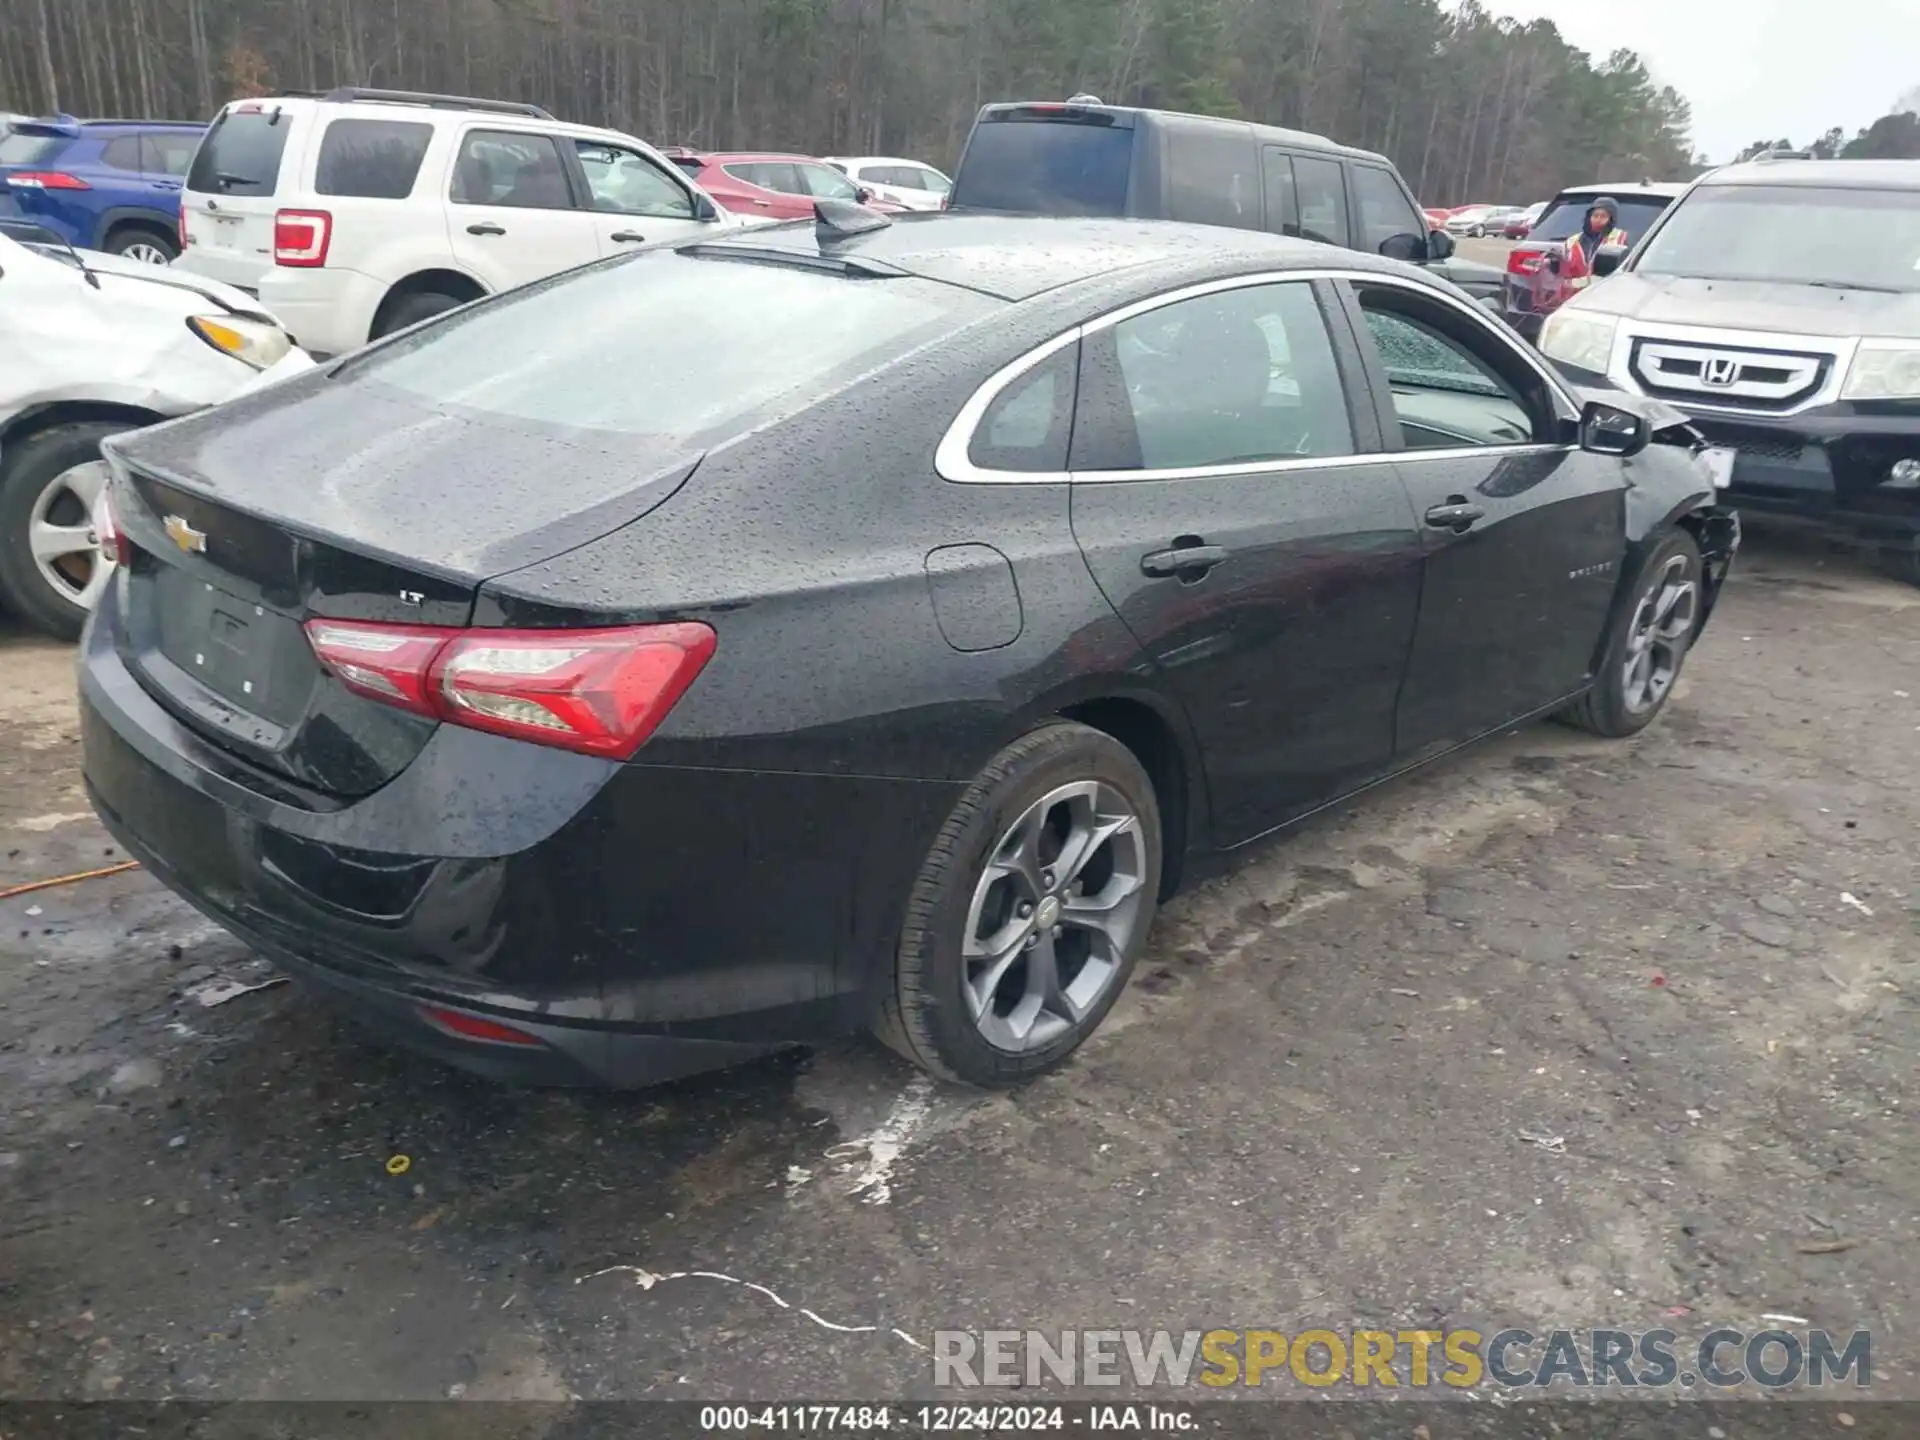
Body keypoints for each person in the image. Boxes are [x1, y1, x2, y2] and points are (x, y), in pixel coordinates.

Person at [1558, 197, 1629, 290]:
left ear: (1611, 219)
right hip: (1574, 294)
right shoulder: (1573, 240)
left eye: (1603, 216)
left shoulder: (1621, 238)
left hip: (1605, 291)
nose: (1598, 220)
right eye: (1595, 216)